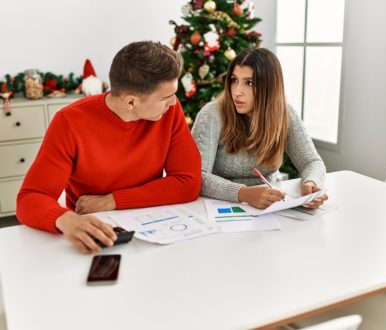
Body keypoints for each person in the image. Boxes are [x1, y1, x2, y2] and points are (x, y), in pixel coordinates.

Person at [17, 41, 201, 254]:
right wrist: (64, 218)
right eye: (166, 97)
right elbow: (30, 198)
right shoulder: (69, 122)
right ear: (131, 102)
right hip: (97, 232)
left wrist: (112, 200)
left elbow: (188, 182)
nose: (173, 102)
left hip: (153, 227)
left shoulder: (169, 110)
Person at [191, 48, 327, 210]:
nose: (237, 92)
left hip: (271, 208)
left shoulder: (285, 113)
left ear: (269, 87)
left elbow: (311, 162)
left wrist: (310, 183)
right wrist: (244, 193)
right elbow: (197, 176)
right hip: (219, 207)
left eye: (249, 83)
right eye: (234, 80)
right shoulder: (212, 114)